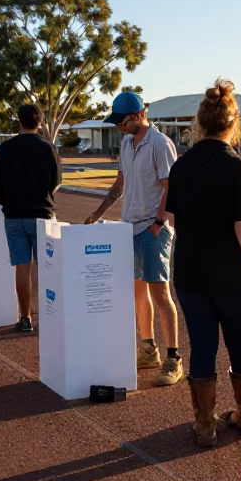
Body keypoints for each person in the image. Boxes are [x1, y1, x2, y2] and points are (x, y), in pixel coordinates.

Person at [166, 79, 241, 446]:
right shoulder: (236, 167)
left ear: (200, 124)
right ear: (231, 124)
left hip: (190, 271)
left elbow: (173, 218)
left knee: (202, 346)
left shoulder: (182, 166)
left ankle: (205, 424)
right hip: (231, 275)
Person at [85, 91, 183, 386]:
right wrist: (97, 212)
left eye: (122, 121)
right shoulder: (127, 143)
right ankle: (148, 348)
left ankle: (173, 358)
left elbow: (171, 187)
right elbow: (119, 186)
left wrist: (159, 221)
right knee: (138, 293)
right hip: (130, 229)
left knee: (160, 293)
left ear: (139, 114)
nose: (118, 127)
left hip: (153, 230)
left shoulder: (160, 144)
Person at [0, 103, 61, 332]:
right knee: (48, 267)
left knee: (22, 266)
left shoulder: (4, 149)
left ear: (19, 121)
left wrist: (7, 202)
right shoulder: (48, 147)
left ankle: (25, 317)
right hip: (42, 214)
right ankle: (51, 315)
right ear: (40, 122)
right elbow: (56, 182)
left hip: (14, 215)